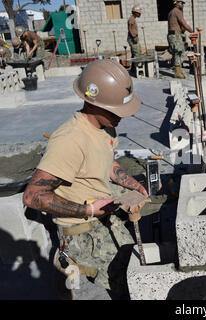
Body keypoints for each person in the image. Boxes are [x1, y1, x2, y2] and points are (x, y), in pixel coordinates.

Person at [22, 60, 150, 299]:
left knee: (137, 273)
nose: (121, 117)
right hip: (82, 234)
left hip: (103, 219)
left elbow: (106, 162)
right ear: (93, 103)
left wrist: (133, 184)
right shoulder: (70, 139)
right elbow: (33, 196)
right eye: (115, 111)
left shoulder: (107, 126)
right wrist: (87, 209)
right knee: (128, 285)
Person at [167, 0, 193, 79]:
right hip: (175, 35)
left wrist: (183, 30)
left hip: (173, 34)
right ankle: (177, 72)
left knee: (177, 52)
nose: (183, 5)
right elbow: (183, 23)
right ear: (177, 3)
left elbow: (179, 25)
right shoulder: (177, 11)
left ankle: (178, 70)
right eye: (182, 3)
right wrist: (192, 32)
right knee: (179, 52)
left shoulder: (171, 12)